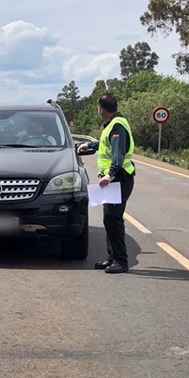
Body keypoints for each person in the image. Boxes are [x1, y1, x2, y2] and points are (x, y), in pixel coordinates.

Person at [77, 93, 136, 274]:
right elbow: (106, 145)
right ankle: (112, 258)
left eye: (98, 108)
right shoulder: (113, 124)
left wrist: (110, 175)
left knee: (114, 219)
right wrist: (90, 146)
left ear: (101, 108)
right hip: (115, 179)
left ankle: (121, 261)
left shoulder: (117, 126)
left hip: (119, 178)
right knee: (109, 219)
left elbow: (118, 153)